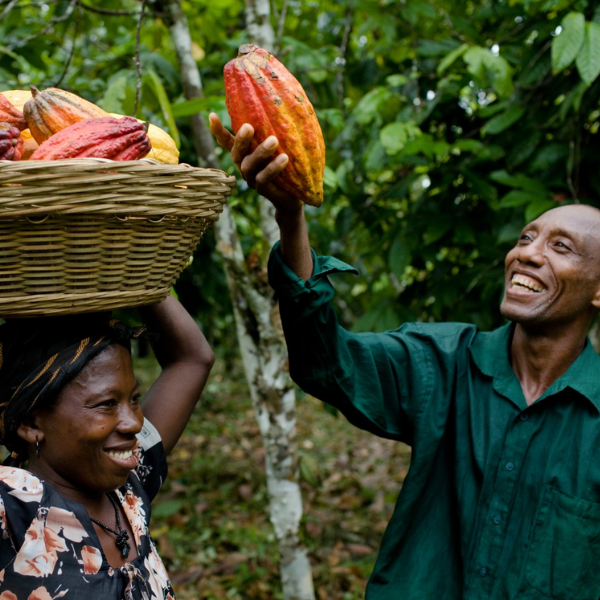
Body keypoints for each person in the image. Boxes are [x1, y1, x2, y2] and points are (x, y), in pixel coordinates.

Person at [210, 112, 600, 599]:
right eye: (525, 238)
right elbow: (329, 363)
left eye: (560, 246)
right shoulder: (447, 362)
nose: (527, 253)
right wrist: (291, 216)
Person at [0, 294, 214, 599]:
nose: (134, 424)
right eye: (106, 404)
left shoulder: (128, 491)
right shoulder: (13, 508)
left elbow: (192, 360)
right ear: (33, 424)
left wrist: (147, 275)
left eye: (134, 399)